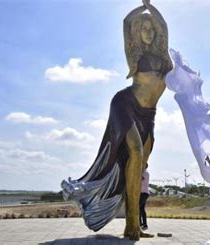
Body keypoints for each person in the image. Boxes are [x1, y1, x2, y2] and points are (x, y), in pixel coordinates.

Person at [61, 0, 172, 241]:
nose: (148, 32)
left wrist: (152, 11)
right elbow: (126, 23)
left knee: (138, 167)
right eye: (143, 28)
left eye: (151, 29)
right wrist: (143, 7)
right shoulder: (135, 54)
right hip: (125, 104)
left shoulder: (163, 56)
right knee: (135, 151)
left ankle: (133, 225)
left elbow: (163, 26)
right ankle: (132, 227)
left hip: (149, 115)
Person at [140, 163, 150, 230]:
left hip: (144, 193)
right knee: (141, 209)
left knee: (138, 208)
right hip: (142, 193)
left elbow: (140, 178)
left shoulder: (145, 173)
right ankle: (144, 224)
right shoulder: (143, 172)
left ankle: (141, 223)